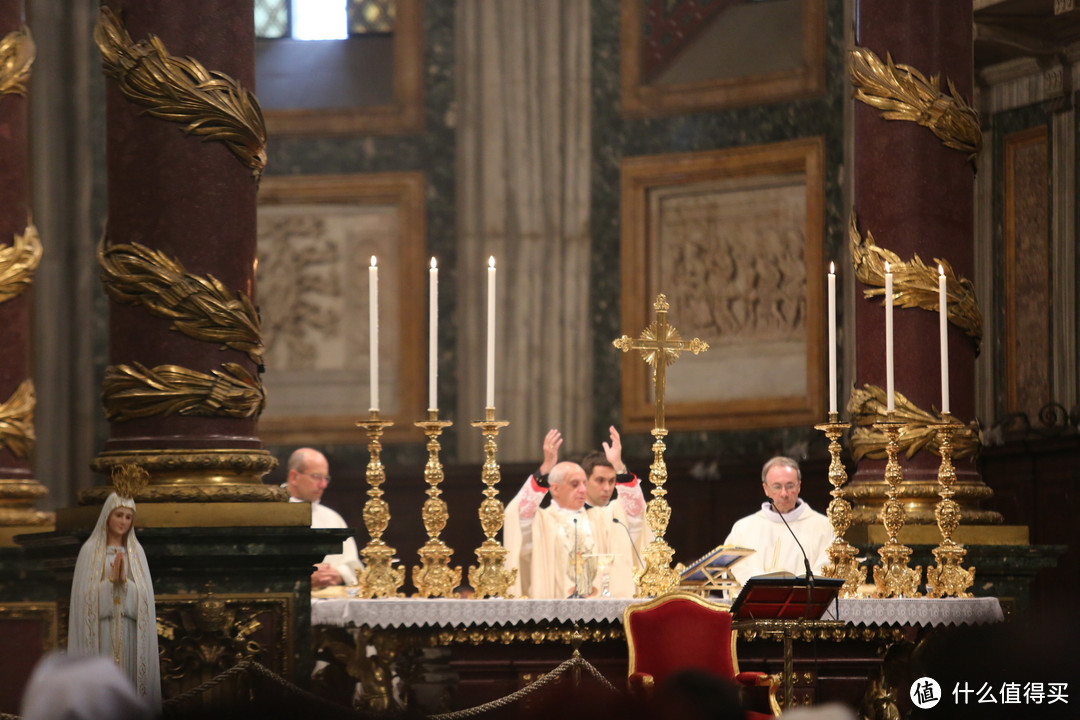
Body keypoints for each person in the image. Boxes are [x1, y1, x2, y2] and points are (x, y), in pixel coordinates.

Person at [503, 429, 642, 598]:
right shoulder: (544, 521)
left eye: (584, 483)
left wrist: (619, 466)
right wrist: (545, 469)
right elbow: (518, 515)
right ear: (554, 488)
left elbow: (634, 513)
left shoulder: (600, 519)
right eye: (575, 484)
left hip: (597, 612)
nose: (583, 490)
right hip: (554, 613)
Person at [68, 490, 162, 709]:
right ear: (107, 516)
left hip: (130, 633)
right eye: (119, 515)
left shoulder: (136, 552)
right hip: (101, 632)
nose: (123, 521)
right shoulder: (90, 551)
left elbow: (146, 601)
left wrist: (125, 586)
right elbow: (84, 602)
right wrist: (109, 583)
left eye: (128, 517)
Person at [723, 456, 834, 585]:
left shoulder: (824, 527)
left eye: (790, 486)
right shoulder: (743, 529)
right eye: (777, 487)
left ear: (799, 486)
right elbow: (732, 571)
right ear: (766, 489)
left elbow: (827, 569)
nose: (784, 494)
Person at [285, 447, 362, 589]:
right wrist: (302, 576)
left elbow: (355, 568)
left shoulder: (332, 518)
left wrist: (338, 574)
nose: (323, 485)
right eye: (316, 477)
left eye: (326, 478)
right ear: (294, 477)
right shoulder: (271, 513)